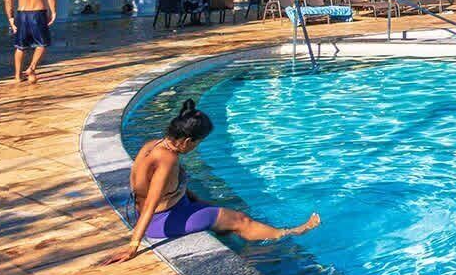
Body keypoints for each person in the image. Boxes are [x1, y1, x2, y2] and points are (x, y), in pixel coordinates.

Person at [105, 99, 319, 264]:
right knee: (239, 219)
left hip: (167, 209)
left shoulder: (153, 145)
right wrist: (133, 245)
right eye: (198, 142)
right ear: (188, 141)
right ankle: (290, 232)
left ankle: (242, 246)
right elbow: (152, 201)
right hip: (160, 221)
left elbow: (161, 188)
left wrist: (194, 200)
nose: (197, 147)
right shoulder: (167, 158)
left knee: (216, 212)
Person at [4, 0, 57, 85]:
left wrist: (10, 17)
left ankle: (17, 76)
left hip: (22, 14)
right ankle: (31, 68)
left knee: (20, 46)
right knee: (42, 44)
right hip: (38, 13)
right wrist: (53, 12)